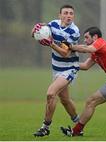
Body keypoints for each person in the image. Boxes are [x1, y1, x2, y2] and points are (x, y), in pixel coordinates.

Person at [32, 5, 80, 137]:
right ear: (59, 15)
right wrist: (36, 31)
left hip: (69, 68)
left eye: (71, 13)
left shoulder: (73, 31)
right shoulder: (53, 24)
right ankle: (79, 125)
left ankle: (45, 127)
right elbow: (41, 29)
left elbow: (65, 53)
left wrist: (51, 43)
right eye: (65, 13)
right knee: (65, 100)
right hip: (56, 68)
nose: (68, 15)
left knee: (50, 94)